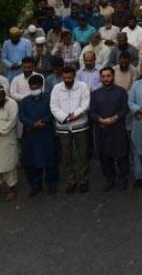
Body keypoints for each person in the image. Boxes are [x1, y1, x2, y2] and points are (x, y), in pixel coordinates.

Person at [49, 65, 91, 194]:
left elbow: (86, 103)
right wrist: (66, 118)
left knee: (83, 155)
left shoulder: (83, 86)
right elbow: (53, 106)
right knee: (66, 157)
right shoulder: (57, 88)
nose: (67, 80)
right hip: (63, 127)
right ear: (62, 77)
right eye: (65, 77)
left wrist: (76, 114)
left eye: (70, 77)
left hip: (80, 125)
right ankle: (71, 181)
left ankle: (83, 180)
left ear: (74, 76)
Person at [89, 67, 130, 191]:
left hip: (118, 129)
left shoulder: (121, 91)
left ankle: (123, 180)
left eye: (108, 76)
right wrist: (100, 120)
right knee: (105, 158)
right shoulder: (95, 94)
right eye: (104, 76)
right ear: (101, 78)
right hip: (102, 129)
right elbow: (92, 112)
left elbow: (125, 109)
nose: (106, 79)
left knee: (122, 156)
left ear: (113, 77)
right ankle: (109, 180)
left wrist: (115, 117)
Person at [18, 73, 58, 196]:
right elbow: (22, 117)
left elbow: (53, 113)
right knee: (32, 162)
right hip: (31, 135)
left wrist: (44, 122)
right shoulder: (24, 101)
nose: (34, 89)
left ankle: (51, 185)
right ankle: (35, 185)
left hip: (47, 134)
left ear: (41, 86)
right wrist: (33, 124)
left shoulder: (49, 98)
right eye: (32, 87)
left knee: (50, 160)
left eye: (36, 87)